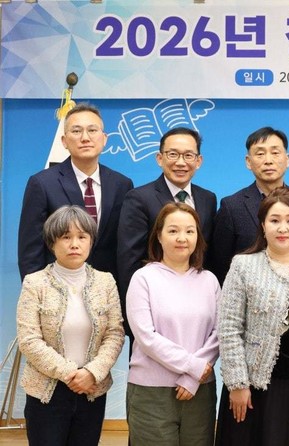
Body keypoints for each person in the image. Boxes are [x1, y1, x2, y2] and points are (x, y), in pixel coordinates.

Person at [216, 187, 289, 445]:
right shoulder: (243, 265)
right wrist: (237, 384)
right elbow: (229, 327)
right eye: (274, 220)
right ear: (263, 225)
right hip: (253, 388)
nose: (283, 228)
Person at [16, 206, 124, 446]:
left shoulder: (106, 281)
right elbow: (29, 340)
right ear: (52, 242)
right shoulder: (35, 283)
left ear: (91, 241)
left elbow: (115, 334)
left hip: (92, 389)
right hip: (46, 391)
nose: (74, 244)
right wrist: (71, 374)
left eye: (82, 237)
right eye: (66, 237)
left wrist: (92, 373)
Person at [125, 202, 220, 446]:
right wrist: (192, 366)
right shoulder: (143, 278)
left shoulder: (209, 280)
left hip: (200, 390)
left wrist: (193, 378)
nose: (182, 238)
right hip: (151, 393)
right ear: (159, 235)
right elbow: (146, 337)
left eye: (189, 231)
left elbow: (219, 334)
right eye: (173, 231)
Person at [117, 127, 217, 344]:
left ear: (199, 161)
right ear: (159, 158)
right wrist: (138, 321)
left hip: (196, 315)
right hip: (154, 317)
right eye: (173, 154)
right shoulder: (139, 198)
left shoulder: (208, 199)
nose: (180, 162)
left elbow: (206, 255)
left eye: (188, 155)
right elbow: (129, 262)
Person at [18, 103, 133, 281]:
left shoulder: (122, 185)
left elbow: (126, 246)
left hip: (107, 288)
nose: (85, 138)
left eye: (92, 130)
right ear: (64, 141)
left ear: (104, 139)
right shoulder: (42, 184)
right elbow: (30, 252)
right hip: (57, 287)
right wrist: (36, 291)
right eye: (77, 131)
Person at [210, 126, 289, 284]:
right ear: (248, 162)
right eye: (260, 154)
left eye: (275, 153)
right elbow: (220, 264)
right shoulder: (232, 206)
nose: (268, 160)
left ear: (287, 159)